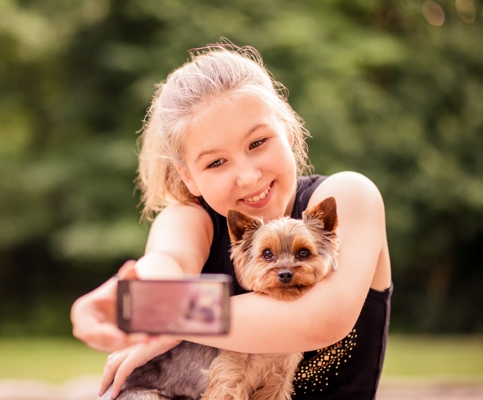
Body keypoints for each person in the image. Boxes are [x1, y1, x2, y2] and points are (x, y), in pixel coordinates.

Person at [70, 42, 392, 400]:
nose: (248, 176)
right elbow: (166, 263)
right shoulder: (188, 219)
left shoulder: (350, 195)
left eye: (257, 142)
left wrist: (169, 316)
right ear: (188, 176)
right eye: (216, 163)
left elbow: (322, 319)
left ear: (287, 129)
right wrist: (134, 296)